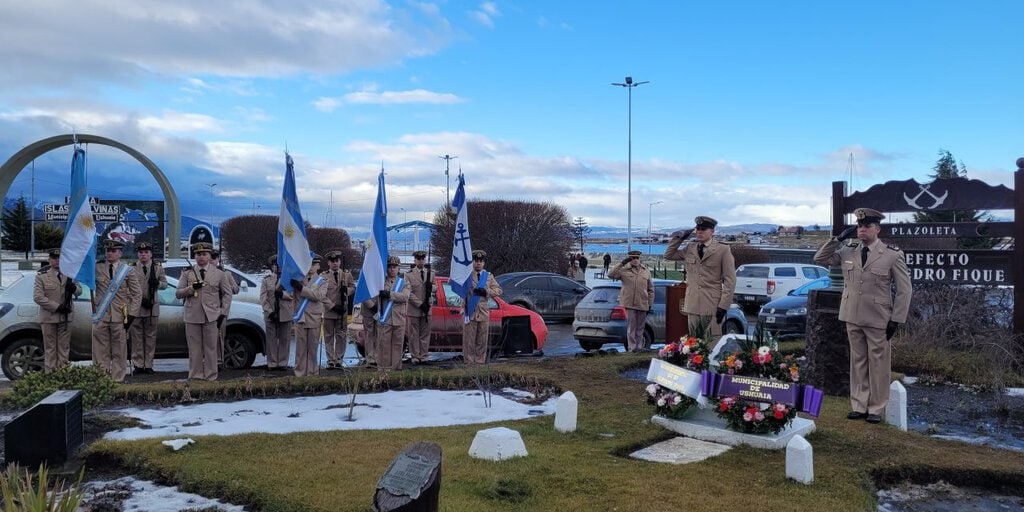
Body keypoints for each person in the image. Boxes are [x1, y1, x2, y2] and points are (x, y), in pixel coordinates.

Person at [814, 207, 912, 424]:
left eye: (867, 226)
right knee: (857, 362)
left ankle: (876, 408)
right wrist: (837, 239)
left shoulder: (891, 255)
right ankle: (859, 405)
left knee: (878, 364)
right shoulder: (848, 251)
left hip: (878, 317)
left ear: (877, 228)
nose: (862, 230)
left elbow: (905, 290)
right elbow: (820, 258)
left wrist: (897, 319)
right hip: (852, 315)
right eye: (859, 226)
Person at [664, 216, 736, 337]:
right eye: (698, 229)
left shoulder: (722, 249)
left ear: (712, 231)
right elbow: (669, 255)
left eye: (703, 229)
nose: (699, 232)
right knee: (694, 344)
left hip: (712, 304)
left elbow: (730, 280)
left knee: (711, 342)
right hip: (692, 304)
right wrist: (680, 238)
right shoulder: (690, 248)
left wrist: (723, 306)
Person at [175, 242, 232, 381]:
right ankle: (196, 376)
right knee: (194, 349)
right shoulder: (187, 272)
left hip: (211, 316)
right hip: (192, 315)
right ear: (195, 256)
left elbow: (227, 294)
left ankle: (211, 376)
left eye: (204, 254)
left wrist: (223, 312)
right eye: (198, 254)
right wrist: (191, 288)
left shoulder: (219, 273)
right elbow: (178, 293)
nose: (201, 257)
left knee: (211, 348)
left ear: (209, 256)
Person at [91, 239, 142, 382]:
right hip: (101, 315)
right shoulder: (96, 268)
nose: (110, 253)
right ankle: (101, 378)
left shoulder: (127, 270)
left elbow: (137, 294)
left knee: (119, 350)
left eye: (113, 251)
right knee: (100, 351)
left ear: (120, 253)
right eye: (108, 251)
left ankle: (117, 379)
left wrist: (132, 314)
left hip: (120, 316)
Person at [33, 248, 81, 371]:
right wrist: (57, 307)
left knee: (64, 348)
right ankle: (51, 375)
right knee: (50, 348)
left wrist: (73, 288)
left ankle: (62, 374)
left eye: (60, 258)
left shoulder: (70, 275)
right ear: (49, 260)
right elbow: (38, 297)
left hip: (65, 317)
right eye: (54, 258)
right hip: (49, 317)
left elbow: (80, 291)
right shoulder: (42, 277)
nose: (57, 261)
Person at [130, 242, 167, 374]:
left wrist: (157, 283)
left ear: (150, 254)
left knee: (150, 338)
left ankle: (148, 364)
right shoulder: (132, 268)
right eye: (141, 252)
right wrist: (139, 300)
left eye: (146, 252)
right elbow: (127, 288)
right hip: (137, 307)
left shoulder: (157, 268)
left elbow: (165, 284)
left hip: (152, 307)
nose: (143, 255)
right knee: (137, 338)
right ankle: (138, 364)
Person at [608, 250, 655, 352]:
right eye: (632, 258)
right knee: (631, 327)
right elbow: (610, 274)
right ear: (629, 259)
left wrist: (650, 303)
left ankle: (639, 347)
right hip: (629, 303)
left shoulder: (646, 271)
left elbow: (651, 289)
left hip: (642, 303)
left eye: (637, 258)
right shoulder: (624, 271)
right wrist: (622, 263)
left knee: (640, 328)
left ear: (640, 259)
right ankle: (632, 348)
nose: (635, 260)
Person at [462, 250, 502, 364]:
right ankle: (469, 362)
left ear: (483, 263)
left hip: (483, 311)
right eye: (476, 261)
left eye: (481, 261)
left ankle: (480, 361)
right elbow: (460, 291)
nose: (478, 263)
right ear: (472, 262)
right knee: (469, 340)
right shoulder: (467, 276)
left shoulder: (488, 276)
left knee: (482, 339)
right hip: (470, 310)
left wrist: (486, 291)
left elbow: (498, 290)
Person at [373, 256, 410, 370]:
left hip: (399, 318)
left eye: (394, 267)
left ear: (398, 269)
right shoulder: (380, 282)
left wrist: (389, 294)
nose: (392, 269)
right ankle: (383, 369)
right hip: (385, 317)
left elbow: (405, 297)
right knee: (384, 345)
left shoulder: (404, 283)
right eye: (389, 267)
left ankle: (396, 368)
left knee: (398, 345)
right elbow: (373, 295)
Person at [292, 254, 327, 377]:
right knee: (300, 349)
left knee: (312, 349)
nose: (311, 267)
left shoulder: (322, 281)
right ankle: (300, 373)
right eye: (309, 264)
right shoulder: (298, 279)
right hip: (300, 317)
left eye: (313, 264)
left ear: (318, 266)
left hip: (314, 317)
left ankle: (312, 373)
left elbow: (318, 296)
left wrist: (301, 289)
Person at [260, 254, 294, 371]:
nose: (278, 267)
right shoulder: (266, 280)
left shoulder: (289, 280)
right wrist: (270, 312)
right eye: (275, 265)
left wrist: (282, 294)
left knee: (285, 339)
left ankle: (283, 362)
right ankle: (272, 363)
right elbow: (263, 298)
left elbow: (293, 296)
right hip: (271, 314)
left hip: (285, 312)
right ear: (272, 266)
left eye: (280, 265)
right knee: (271, 339)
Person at [322, 251, 355, 369]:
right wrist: (332, 306)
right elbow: (321, 295)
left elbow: (353, 287)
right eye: (332, 261)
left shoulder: (346, 274)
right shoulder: (324, 276)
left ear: (340, 262)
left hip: (342, 311)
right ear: (328, 263)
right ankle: (331, 360)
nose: (335, 263)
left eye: (337, 261)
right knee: (329, 336)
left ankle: (339, 359)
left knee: (341, 336)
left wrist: (347, 290)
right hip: (330, 311)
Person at [211, 250, 240, 367]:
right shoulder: (204, 272)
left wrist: (227, 285)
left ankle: (219, 361)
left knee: (219, 336)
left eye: (214, 257)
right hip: (208, 308)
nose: (211, 260)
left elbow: (235, 289)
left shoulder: (225, 274)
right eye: (210, 257)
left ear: (218, 259)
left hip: (221, 309)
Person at [405, 250, 434, 364]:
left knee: (425, 334)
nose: (421, 261)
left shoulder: (430, 273)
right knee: (414, 334)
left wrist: (431, 287)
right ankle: (415, 356)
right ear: (415, 260)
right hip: (414, 309)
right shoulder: (409, 274)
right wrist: (419, 304)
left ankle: (424, 355)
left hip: (427, 309)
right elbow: (409, 292)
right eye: (418, 259)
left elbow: (435, 287)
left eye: (422, 259)